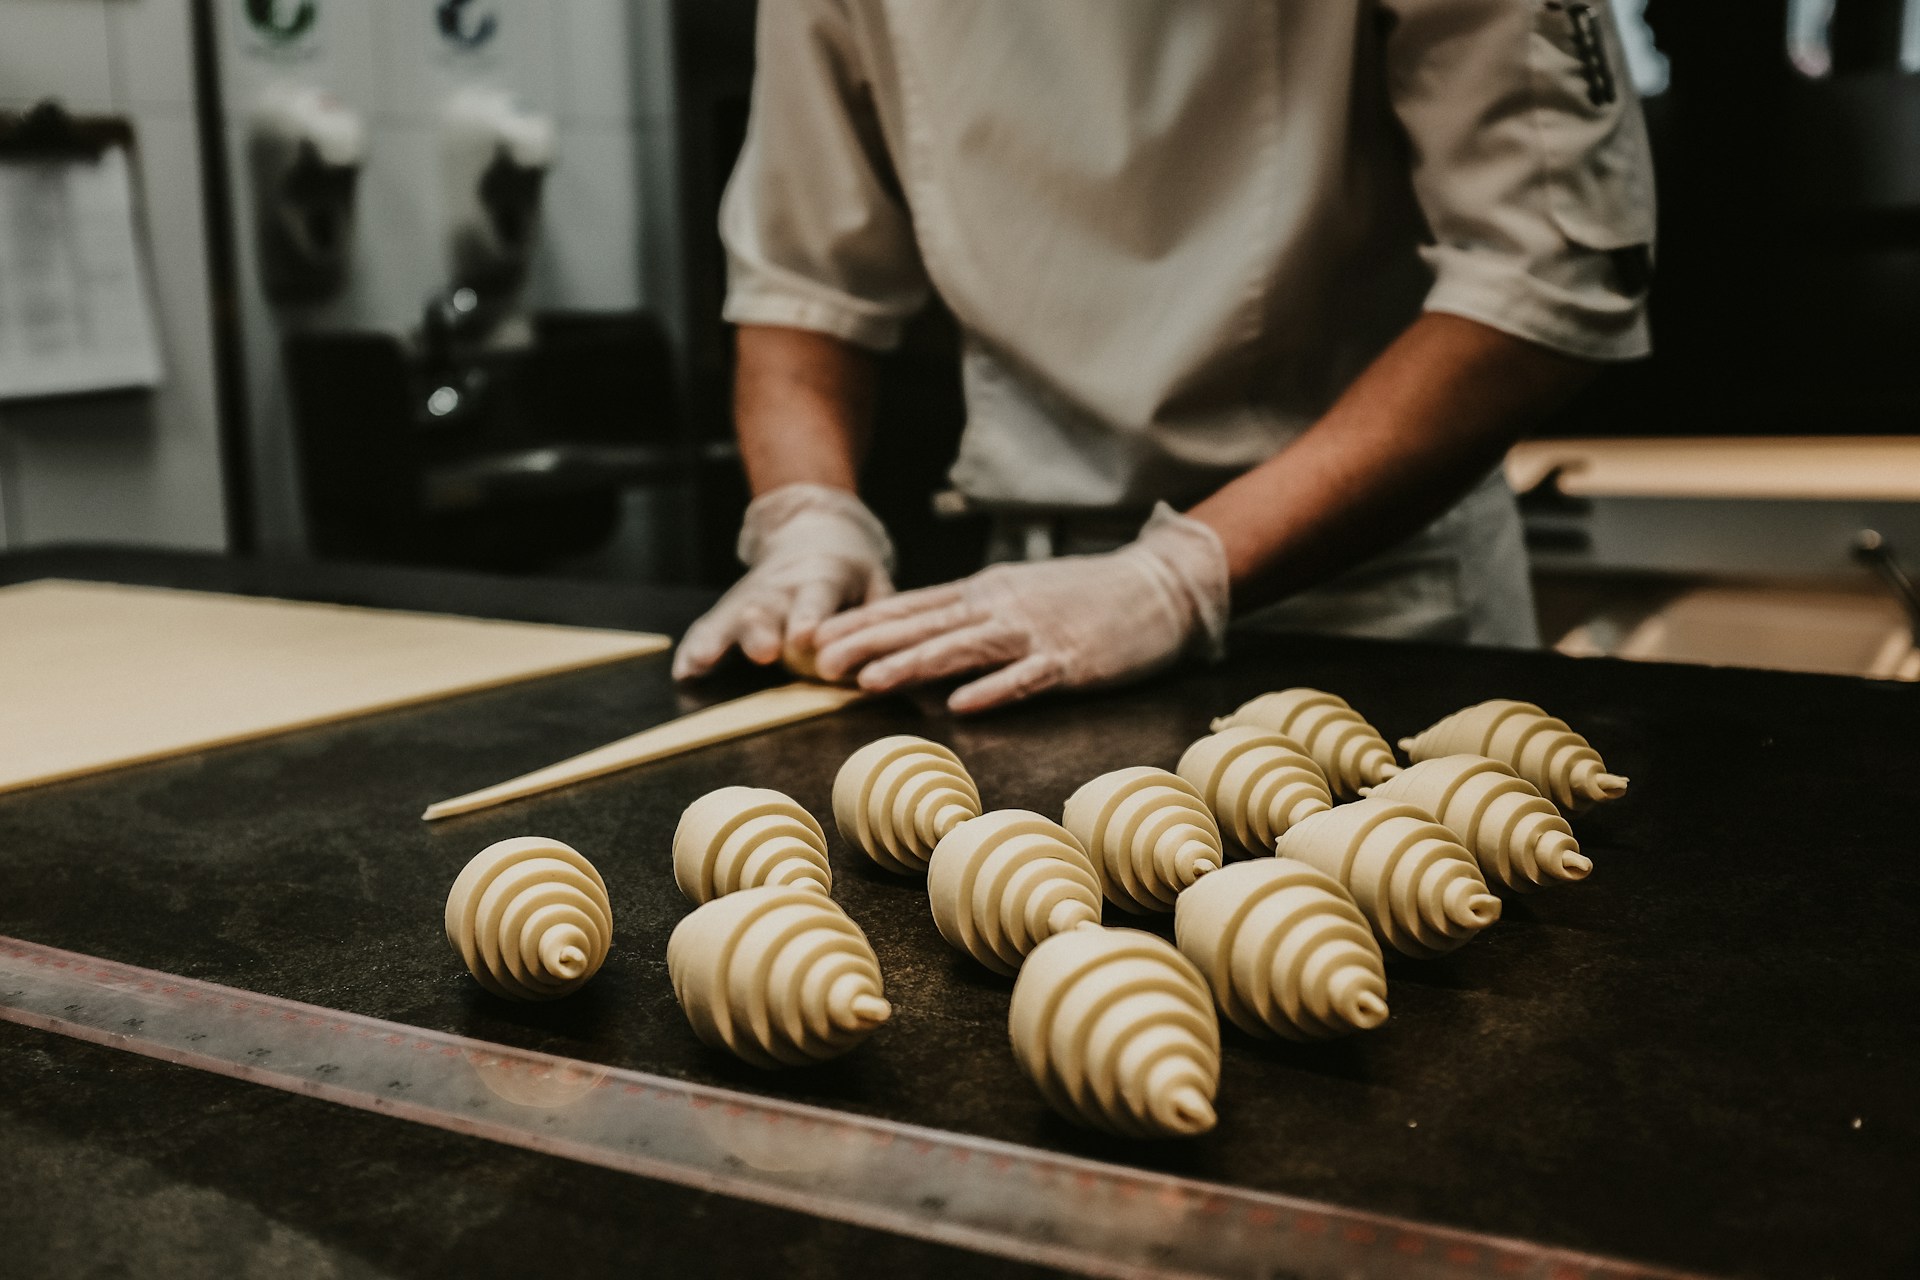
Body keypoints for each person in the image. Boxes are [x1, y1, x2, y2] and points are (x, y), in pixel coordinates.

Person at [673, 1, 1655, 712]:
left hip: (1371, 606)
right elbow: (802, 284)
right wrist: (809, 516)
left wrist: (1177, 577)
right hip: (1028, 605)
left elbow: (1544, 272)